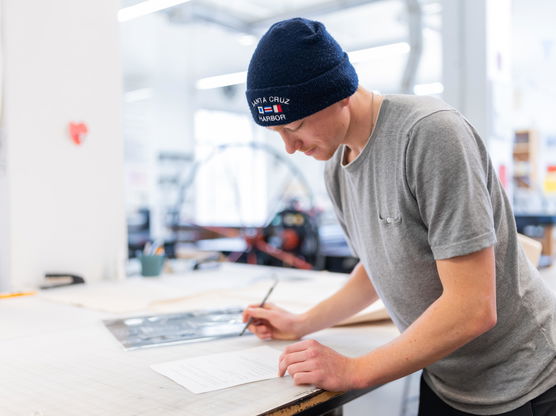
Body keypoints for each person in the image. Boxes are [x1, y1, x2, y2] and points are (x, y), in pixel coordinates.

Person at [241, 17, 556, 416]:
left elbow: (473, 307)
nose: (289, 147)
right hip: (446, 379)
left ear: (340, 94)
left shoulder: (429, 134)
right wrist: (302, 323)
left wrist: (355, 371)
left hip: (524, 382)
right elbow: (376, 269)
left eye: (296, 125)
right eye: (277, 133)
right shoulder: (337, 167)